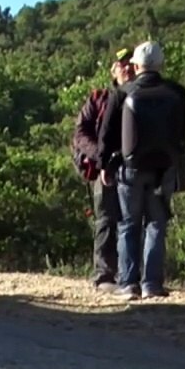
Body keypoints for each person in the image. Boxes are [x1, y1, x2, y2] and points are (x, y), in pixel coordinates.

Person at [98, 40, 185, 300]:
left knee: (128, 224)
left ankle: (128, 285)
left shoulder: (123, 92)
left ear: (137, 65)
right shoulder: (177, 92)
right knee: (156, 224)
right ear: (160, 64)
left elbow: (106, 132)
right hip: (165, 168)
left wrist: (103, 164)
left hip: (130, 169)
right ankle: (152, 284)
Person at [72, 48, 135, 292]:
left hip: (137, 166)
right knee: (107, 219)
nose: (127, 68)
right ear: (113, 70)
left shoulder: (145, 96)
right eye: (122, 64)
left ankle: (132, 275)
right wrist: (100, 157)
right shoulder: (98, 98)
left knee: (135, 220)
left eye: (131, 63)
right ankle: (104, 276)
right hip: (104, 168)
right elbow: (80, 132)